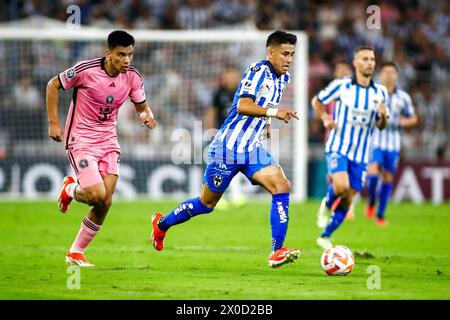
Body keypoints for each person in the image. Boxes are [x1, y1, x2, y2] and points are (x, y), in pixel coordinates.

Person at [151, 30, 301, 268]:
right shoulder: (257, 71)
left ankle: (277, 250)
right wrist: (274, 114)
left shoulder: (283, 78)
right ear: (270, 53)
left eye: (292, 54)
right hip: (228, 149)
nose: (289, 59)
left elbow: (267, 102)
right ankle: (161, 224)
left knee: (282, 185)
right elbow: (243, 105)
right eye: (285, 53)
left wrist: (268, 123)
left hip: (252, 148)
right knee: (206, 204)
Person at [46, 30, 157, 267]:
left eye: (130, 55)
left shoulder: (133, 77)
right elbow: (53, 85)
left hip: (108, 140)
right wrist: (54, 123)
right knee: (96, 195)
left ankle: (76, 251)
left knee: (105, 200)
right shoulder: (86, 70)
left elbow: (141, 106)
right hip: (81, 139)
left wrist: (147, 116)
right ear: (109, 54)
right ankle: (72, 190)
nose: (126, 60)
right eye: (121, 55)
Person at [312, 46, 389, 249]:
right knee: (340, 186)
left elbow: (382, 126)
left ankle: (325, 236)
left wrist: (382, 116)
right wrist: (325, 118)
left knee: (348, 197)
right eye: (364, 59)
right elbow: (317, 101)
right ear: (355, 62)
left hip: (362, 154)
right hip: (339, 145)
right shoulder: (342, 86)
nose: (369, 62)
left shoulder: (380, 92)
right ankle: (326, 205)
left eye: (372, 59)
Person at [365, 62, 417, 226]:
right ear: (381, 75)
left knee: (388, 178)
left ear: (396, 75)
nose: (388, 75)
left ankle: (380, 215)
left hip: (393, 144)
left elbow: (413, 118)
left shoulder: (403, 97)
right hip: (375, 141)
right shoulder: (373, 94)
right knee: (373, 173)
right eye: (385, 72)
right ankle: (372, 200)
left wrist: (404, 122)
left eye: (391, 72)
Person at [204, 66, 247, 210]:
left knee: (232, 165)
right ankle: (223, 196)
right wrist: (210, 130)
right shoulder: (219, 93)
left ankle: (233, 196)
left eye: (233, 75)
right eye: (228, 76)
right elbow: (212, 112)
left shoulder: (243, 92)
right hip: (221, 134)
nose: (231, 78)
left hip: (238, 134)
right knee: (219, 166)